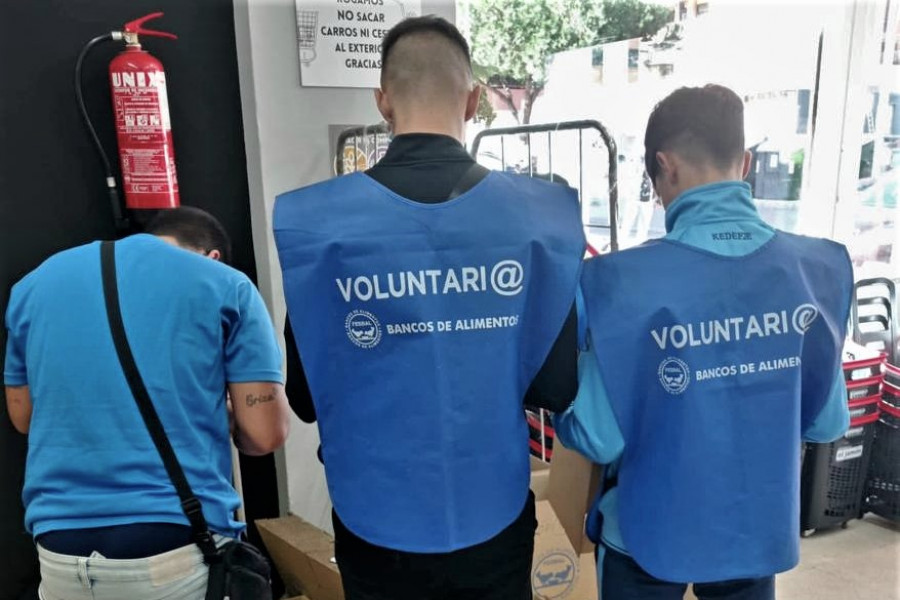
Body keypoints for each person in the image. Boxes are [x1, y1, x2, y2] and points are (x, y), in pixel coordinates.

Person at [274, 16, 585, 600]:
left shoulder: (321, 230)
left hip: (374, 520)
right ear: (472, 101)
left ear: (383, 101)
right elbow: (558, 388)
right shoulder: (537, 224)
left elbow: (305, 399)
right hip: (491, 511)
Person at [554, 85, 853, 600]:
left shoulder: (618, 285)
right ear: (746, 161)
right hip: (753, 533)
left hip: (647, 537)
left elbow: (601, 437)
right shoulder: (816, 271)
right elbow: (828, 422)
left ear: (664, 167)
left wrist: (560, 409)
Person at [4, 207, 291, 600]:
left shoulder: (33, 286)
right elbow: (264, 434)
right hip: (173, 550)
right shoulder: (227, 285)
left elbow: (23, 417)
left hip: (58, 548)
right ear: (213, 257)